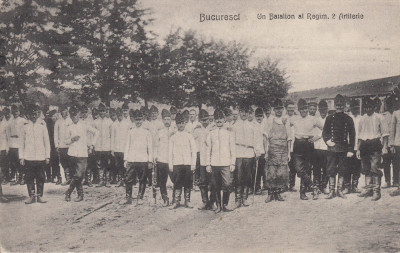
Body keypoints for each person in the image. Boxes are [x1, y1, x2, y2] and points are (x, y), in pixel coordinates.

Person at [322, 94, 356, 199]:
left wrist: (351, 149)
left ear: (344, 106)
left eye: (341, 105)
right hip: (332, 147)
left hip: (344, 147)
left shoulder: (348, 119)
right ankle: (332, 191)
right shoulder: (329, 118)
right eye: (337, 105)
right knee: (331, 169)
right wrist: (328, 141)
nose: (339, 107)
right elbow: (325, 132)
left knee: (342, 169)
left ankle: (339, 190)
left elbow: (352, 135)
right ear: (335, 105)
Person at [289, 99, 323, 200]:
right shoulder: (294, 119)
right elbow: (285, 124)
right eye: (302, 109)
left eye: (305, 109)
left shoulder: (313, 119)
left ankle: (302, 193)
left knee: (307, 169)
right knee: (299, 169)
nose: (304, 111)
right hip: (298, 145)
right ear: (298, 110)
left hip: (308, 145)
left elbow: (325, 128)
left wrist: (317, 137)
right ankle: (314, 186)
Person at [357, 97, 389, 201]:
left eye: (370, 107)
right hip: (364, 146)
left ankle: (376, 191)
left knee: (375, 168)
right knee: (366, 168)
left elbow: (385, 134)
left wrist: (384, 147)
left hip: (375, 144)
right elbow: (360, 136)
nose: (368, 109)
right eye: (366, 107)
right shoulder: (362, 118)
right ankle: (368, 189)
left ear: (374, 107)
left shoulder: (380, 117)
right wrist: (358, 149)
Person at [64, 106, 98, 202]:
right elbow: (65, 141)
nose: (74, 118)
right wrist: (71, 140)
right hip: (72, 153)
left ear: (79, 115)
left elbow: (96, 132)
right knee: (76, 175)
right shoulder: (69, 127)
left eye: (75, 116)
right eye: (72, 116)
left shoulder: (84, 125)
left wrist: (92, 145)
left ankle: (68, 192)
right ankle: (80, 195)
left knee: (79, 175)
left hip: (83, 154)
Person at [206, 109, 236, 213]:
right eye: (217, 119)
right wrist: (208, 164)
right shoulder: (211, 133)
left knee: (227, 184)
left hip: (226, 163)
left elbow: (233, 149)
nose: (219, 120)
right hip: (214, 164)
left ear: (224, 120)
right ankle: (219, 206)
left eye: (221, 118)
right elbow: (208, 150)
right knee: (216, 185)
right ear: (214, 120)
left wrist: (232, 163)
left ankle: (225, 204)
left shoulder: (229, 133)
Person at [20, 105, 50, 204]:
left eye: (35, 114)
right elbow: (21, 143)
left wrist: (47, 156)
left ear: (37, 114)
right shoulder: (25, 126)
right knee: (29, 176)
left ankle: (40, 195)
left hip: (40, 156)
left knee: (41, 176)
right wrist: (21, 157)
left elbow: (47, 142)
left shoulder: (42, 125)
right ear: (28, 115)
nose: (33, 116)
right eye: (31, 114)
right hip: (29, 156)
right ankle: (31, 196)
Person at [264, 99, 292, 202]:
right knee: (271, 172)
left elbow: (289, 138)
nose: (279, 111)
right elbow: (266, 137)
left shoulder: (286, 121)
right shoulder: (270, 121)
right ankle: (270, 193)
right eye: (277, 109)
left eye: (280, 109)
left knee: (281, 173)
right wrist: (266, 151)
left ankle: (278, 193)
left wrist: (289, 153)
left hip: (283, 150)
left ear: (283, 109)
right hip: (272, 149)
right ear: (273, 110)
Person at [123, 110, 153, 205]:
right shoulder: (130, 132)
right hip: (132, 159)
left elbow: (150, 147)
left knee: (142, 179)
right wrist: (126, 159)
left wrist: (150, 161)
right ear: (134, 120)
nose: (138, 122)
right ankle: (128, 197)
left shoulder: (147, 132)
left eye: (140, 120)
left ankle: (140, 197)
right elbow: (127, 145)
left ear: (143, 119)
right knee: (128, 178)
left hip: (142, 159)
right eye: (137, 120)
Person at [168, 113, 197, 209]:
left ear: (185, 123)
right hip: (177, 163)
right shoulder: (173, 137)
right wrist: (170, 165)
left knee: (188, 182)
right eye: (179, 123)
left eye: (183, 123)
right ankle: (176, 201)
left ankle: (187, 201)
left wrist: (193, 164)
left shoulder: (189, 136)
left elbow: (194, 151)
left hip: (187, 163)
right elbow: (170, 152)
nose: (181, 125)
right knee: (177, 182)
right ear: (176, 124)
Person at [232, 104, 257, 207]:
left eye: (246, 112)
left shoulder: (252, 126)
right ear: (239, 112)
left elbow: (256, 140)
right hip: (238, 153)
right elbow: (231, 141)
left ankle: (245, 198)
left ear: (248, 113)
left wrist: (257, 151)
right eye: (242, 112)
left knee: (247, 177)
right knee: (238, 177)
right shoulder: (234, 126)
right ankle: (238, 199)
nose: (243, 114)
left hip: (249, 153)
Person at [154, 109, 176, 206]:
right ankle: (165, 199)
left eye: (168, 119)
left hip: (173, 160)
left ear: (171, 119)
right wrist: (155, 156)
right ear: (162, 120)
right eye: (165, 119)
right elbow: (155, 145)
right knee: (162, 181)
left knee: (175, 180)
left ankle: (175, 198)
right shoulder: (159, 132)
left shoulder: (175, 131)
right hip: (162, 159)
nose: (167, 121)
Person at [193, 109, 211, 210]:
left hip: (212, 158)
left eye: (206, 119)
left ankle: (212, 201)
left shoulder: (212, 128)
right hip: (201, 157)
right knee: (203, 181)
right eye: (203, 120)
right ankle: (205, 201)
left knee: (212, 181)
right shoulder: (197, 130)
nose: (205, 122)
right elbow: (192, 141)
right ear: (200, 120)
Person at [343, 99, 362, 194]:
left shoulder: (361, 118)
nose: (356, 110)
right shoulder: (347, 118)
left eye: (357, 108)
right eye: (354, 108)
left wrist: (359, 147)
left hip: (358, 146)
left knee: (357, 167)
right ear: (350, 108)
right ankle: (347, 186)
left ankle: (355, 185)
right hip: (348, 147)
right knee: (347, 167)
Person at [312, 100, 329, 195]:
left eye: (324, 109)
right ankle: (316, 186)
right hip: (316, 147)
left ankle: (324, 186)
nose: (323, 111)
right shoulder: (315, 120)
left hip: (326, 147)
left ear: (327, 109)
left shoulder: (330, 119)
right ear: (318, 110)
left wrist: (320, 135)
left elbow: (330, 133)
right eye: (321, 109)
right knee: (316, 168)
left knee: (326, 168)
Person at [94, 103, 112, 187]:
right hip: (98, 146)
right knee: (99, 163)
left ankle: (107, 180)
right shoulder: (95, 122)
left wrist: (111, 147)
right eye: (100, 111)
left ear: (106, 111)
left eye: (103, 111)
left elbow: (112, 135)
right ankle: (101, 180)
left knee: (108, 163)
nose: (102, 113)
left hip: (107, 146)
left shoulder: (109, 122)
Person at [8, 105, 26, 185]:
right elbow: (8, 133)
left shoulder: (23, 120)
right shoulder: (10, 121)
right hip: (12, 143)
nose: (16, 113)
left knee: (20, 161)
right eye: (14, 111)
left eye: (17, 111)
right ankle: (16, 177)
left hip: (20, 143)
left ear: (19, 112)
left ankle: (22, 177)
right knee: (14, 161)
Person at [54, 105, 72, 186]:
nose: (64, 112)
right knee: (64, 162)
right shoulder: (58, 122)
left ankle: (73, 179)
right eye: (62, 111)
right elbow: (55, 134)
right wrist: (56, 145)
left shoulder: (71, 121)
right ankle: (67, 178)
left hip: (70, 146)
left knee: (72, 162)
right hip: (61, 146)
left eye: (65, 110)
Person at [381, 95, 396, 188]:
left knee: (396, 163)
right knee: (386, 163)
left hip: (395, 143)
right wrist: (384, 146)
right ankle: (387, 181)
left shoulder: (397, 114)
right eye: (389, 104)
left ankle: (396, 180)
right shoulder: (383, 116)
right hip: (386, 144)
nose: (391, 106)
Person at [45, 110, 61, 184]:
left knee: (55, 161)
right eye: (54, 116)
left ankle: (56, 176)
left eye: (56, 116)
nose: (55, 117)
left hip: (55, 145)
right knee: (47, 160)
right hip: (49, 143)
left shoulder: (58, 123)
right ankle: (48, 176)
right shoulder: (48, 123)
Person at [253, 107, 266, 194]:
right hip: (256, 151)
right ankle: (256, 187)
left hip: (263, 151)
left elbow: (266, 139)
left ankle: (265, 186)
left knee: (263, 170)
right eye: (257, 116)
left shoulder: (265, 125)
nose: (259, 118)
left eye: (260, 116)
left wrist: (266, 151)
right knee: (256, 171)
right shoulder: (253, 125)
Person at [285, 100, 297, 192]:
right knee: (285, 166)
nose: (291, 110)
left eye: (292, 109)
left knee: (293, 166)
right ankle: (284, 184)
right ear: (286, 109)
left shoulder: (297, 118)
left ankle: (292, 185)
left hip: (295, 145)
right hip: (285, 145)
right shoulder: (283, 118)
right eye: (289, 108)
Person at [389, 95, 400, 196]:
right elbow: (392, 131)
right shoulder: (396, 113)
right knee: (397, 165)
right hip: (398, 143)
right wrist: (391, 145)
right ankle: (398, 186)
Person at [0, 110, 9, 202]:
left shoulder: (5, 124)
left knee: (1, 172)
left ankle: (0, 195)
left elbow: (7, 137)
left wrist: (7, 148)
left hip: (2, 150)